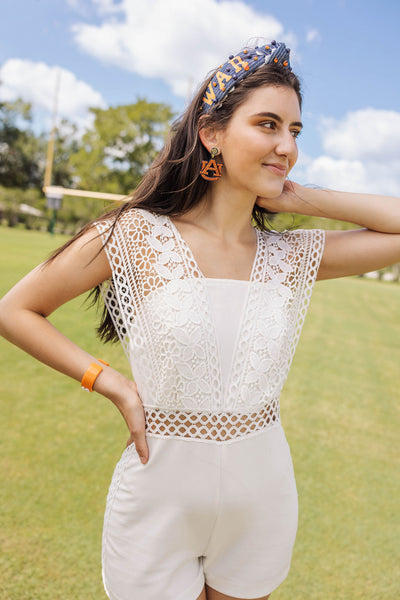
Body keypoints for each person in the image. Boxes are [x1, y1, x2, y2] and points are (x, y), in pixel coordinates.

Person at [0, 40, 399, 600]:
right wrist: (108, 381)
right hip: (157, 504)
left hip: (263, 498)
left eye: (296, 131)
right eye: (267, 125)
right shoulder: (134, 234)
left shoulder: (291, 255)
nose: (286, 145)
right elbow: (15, 310)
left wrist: (298, 195)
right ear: (211, 133)